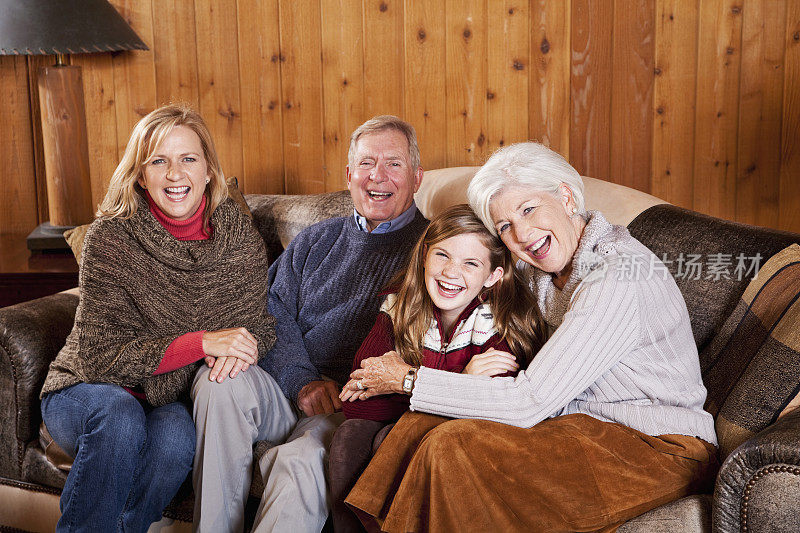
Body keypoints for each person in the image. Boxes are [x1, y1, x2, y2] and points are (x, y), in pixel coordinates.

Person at [342, 142, 720, 532]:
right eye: (505, 226)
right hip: (578, 427)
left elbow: (526, 403)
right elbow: (464, 284)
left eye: (528, 209)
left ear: (567, 197)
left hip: (658, 448)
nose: (522, 234)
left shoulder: (619, 277)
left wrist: (407, 379)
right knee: (419, 424)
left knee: (450, 445)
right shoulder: (538, 269)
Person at [39, 104, 274, 532]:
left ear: (208, 171)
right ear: (141, 175)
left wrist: (242, 348)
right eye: (158, 161)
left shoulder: (239, 239)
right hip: (86, 389)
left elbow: (253, 325)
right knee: (120, 418)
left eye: (188, 159)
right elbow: (98, 357)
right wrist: (202, 342)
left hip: (164, 399)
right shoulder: (111, 239)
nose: (174, 174)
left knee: (177, 439)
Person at [191, 115, 430, 532]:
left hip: (349, 401)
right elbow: (270, 309)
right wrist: (301, 380)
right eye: (367, 163)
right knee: (217, 384)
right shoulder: (316, 239)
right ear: (349, 175)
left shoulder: (433, 250)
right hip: (288, 384)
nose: (378, 176)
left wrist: (341, 388)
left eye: (394, 164)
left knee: (299, 459)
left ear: (416, 177)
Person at [330, 204, 542, 531]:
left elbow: (490, 414)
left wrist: (400, 382)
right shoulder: (399, 304)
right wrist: (462, 380)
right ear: (425, 254)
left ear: (493, 276)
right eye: (443, 255)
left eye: (470, 263)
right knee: (350, 434)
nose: (451, 272)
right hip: (410, 421)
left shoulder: (499, 326)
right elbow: (358, 402)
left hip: (465, 440)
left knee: (392, 437)